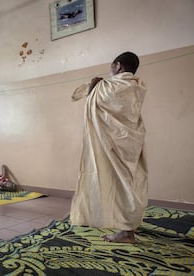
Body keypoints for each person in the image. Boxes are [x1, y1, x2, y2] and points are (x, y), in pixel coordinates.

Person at [70, 52, 148, 243]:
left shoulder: (106, 86)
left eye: (111, 67)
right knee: (130, 182)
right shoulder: (137, 86)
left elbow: (91, 103)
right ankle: (128, 226)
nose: (110, 71)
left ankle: (126, 232)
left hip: (113, 147)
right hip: (131, 145)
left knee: (119, 184)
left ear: (118, 66)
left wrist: (94, 84)